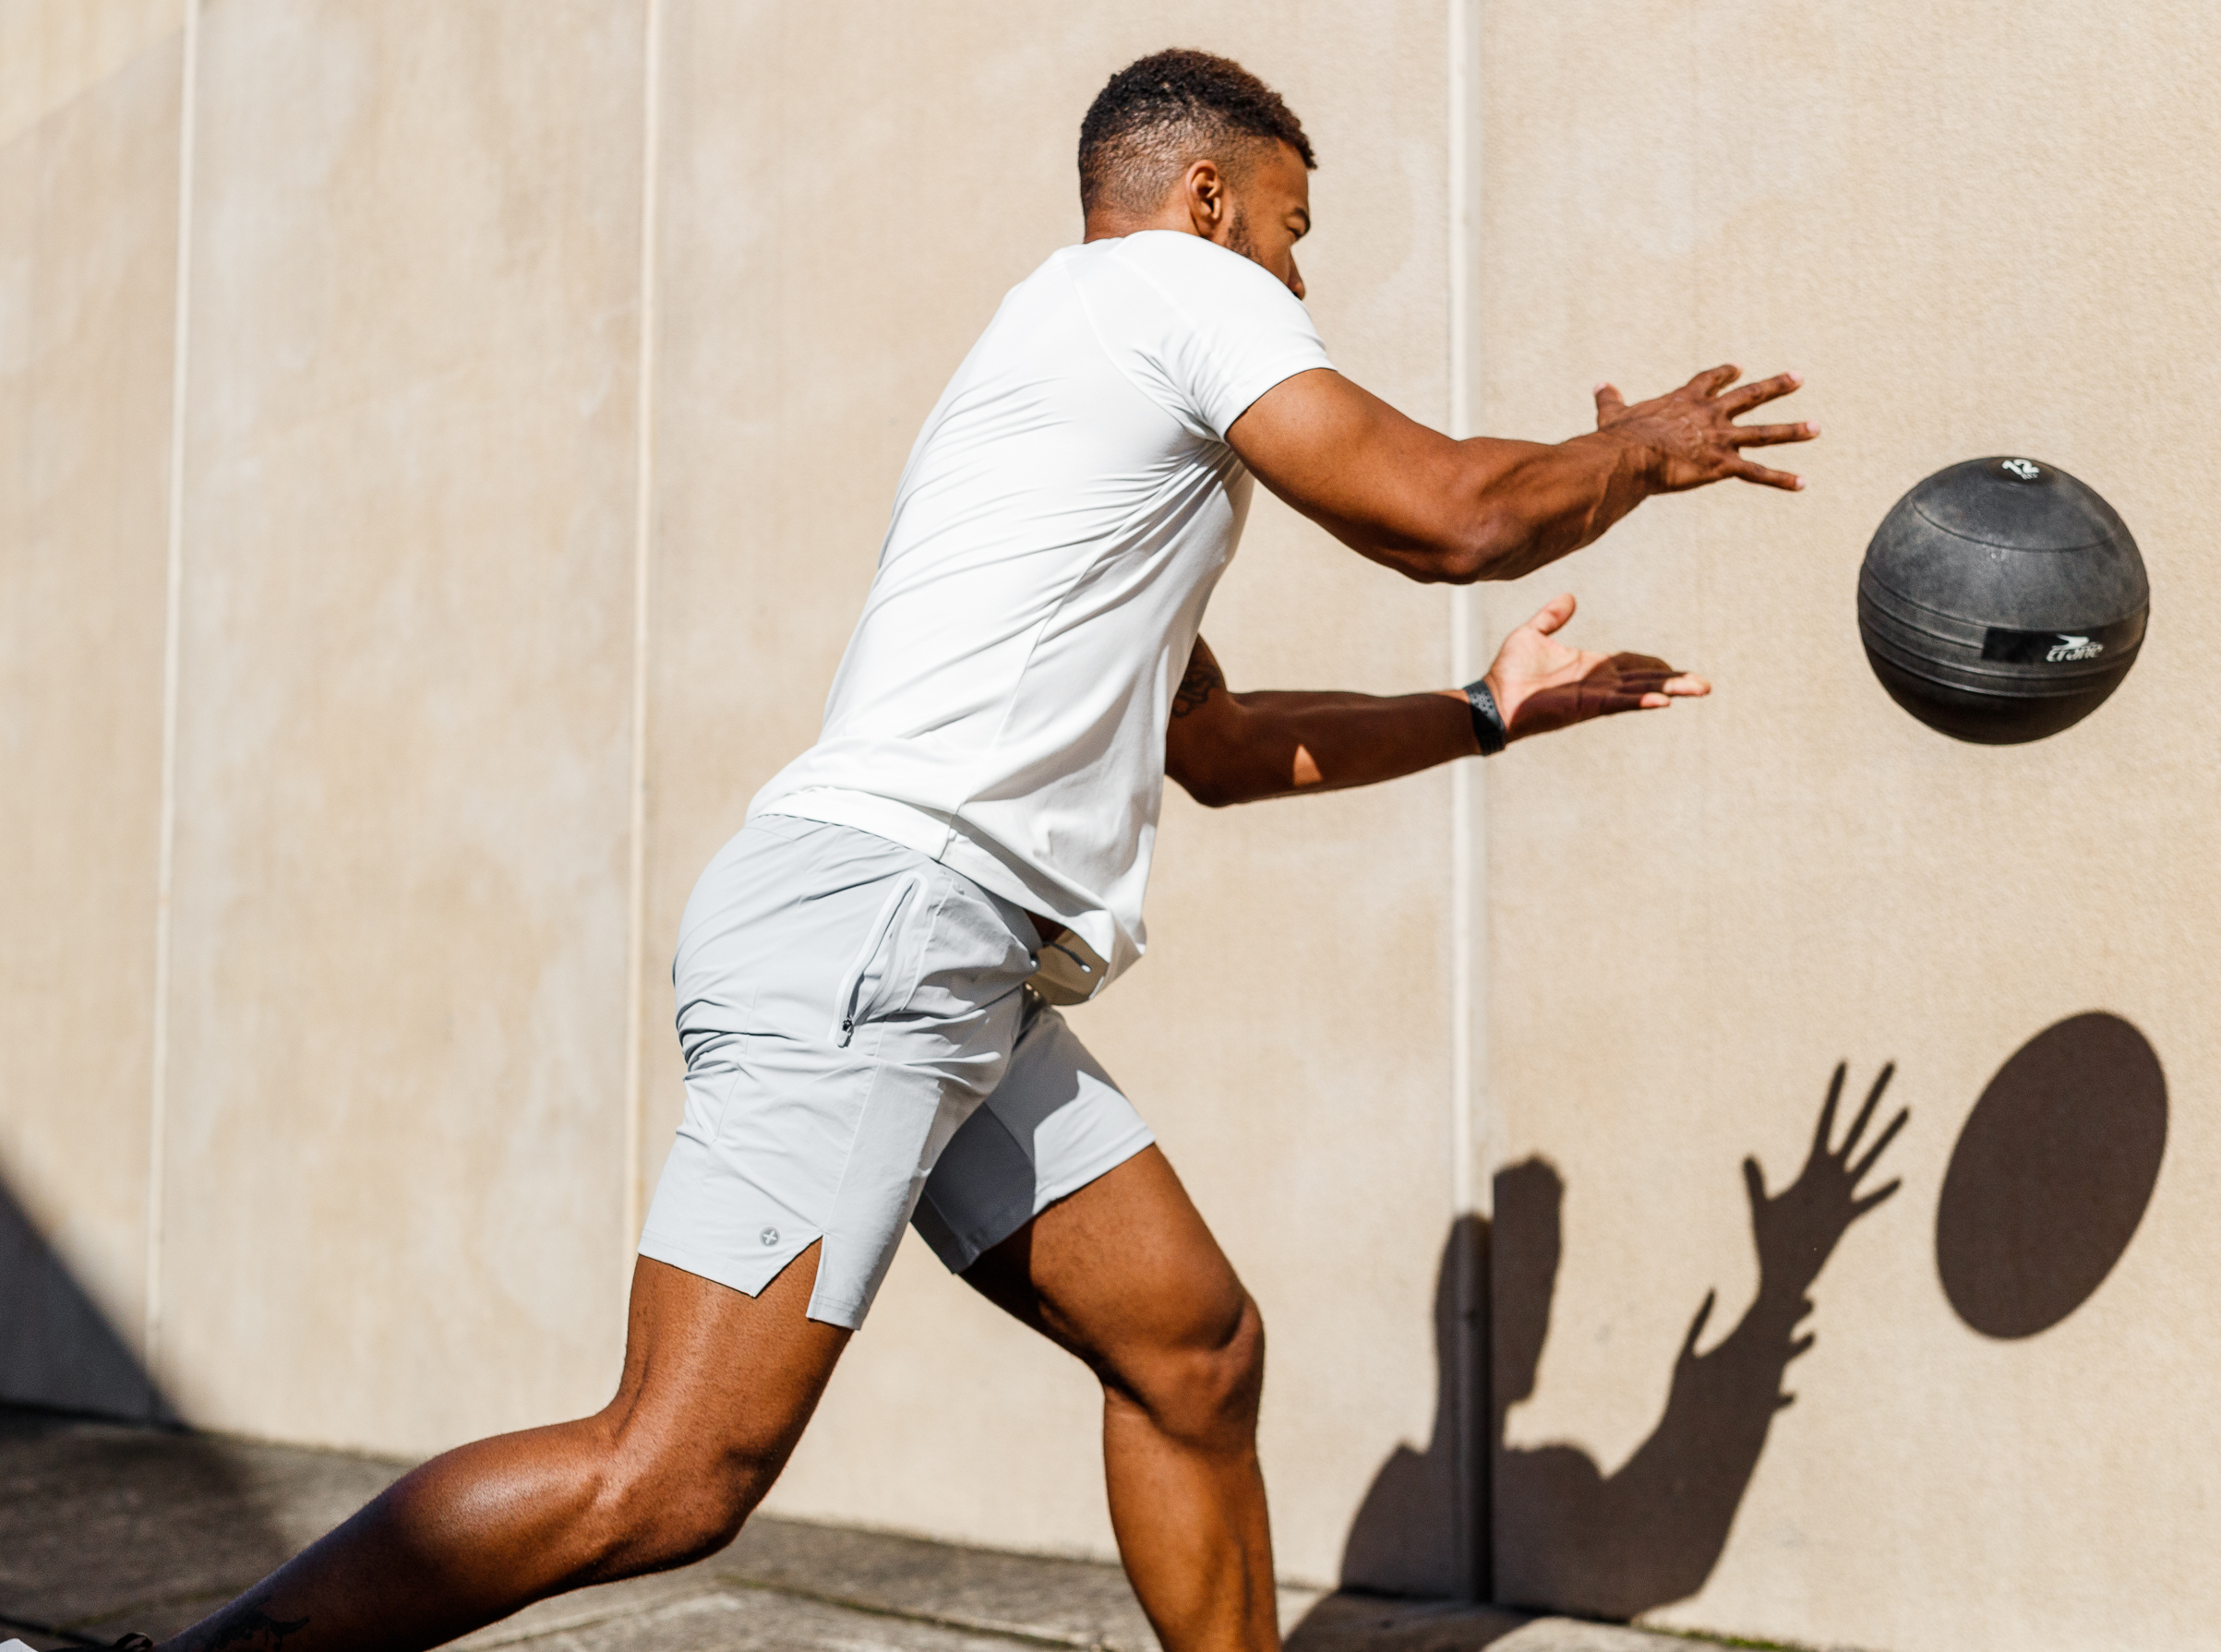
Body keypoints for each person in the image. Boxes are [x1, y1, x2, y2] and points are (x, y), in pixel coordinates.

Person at [158, 47, 1812, 1652]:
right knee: (668, 1474)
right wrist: (1631, 454)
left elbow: (1216, 751)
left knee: (1192, 1345)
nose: (1300, 283)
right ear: (1213, 198)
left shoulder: (1075, 390)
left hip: (946, 956)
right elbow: (1447, 513)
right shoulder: (1174, 290)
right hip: (885, 925)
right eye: (1298, 233)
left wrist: (1478, 712)